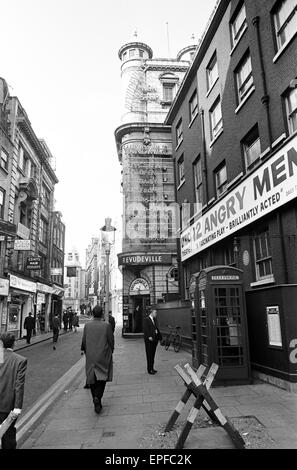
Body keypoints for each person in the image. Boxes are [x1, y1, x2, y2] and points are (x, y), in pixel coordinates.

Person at [81, 305, 114, 414]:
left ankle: (96, 400)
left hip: (91, 355)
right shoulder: (106, 326)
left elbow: (84, 341)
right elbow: (111, 341)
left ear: (93, 313)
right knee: (102, 377)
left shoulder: (87, 326)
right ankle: (98, 397)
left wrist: (86, 351)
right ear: (102, 313)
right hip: (103, 355)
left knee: (92, 378)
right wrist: (111, 351)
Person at [0, 332, 27, 449]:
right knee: (8, 436)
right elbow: (19, 385)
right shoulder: (20, 360)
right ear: (14, 343)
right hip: (7, 406)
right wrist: (17, 407)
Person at [143, 307, 162, 375]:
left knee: (153, 354)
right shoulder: (146, 320)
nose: (156, 313)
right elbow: (145, 329)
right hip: (149, 340)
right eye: (155, 312)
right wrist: (149, 336)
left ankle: (152, 368)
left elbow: (156, 328)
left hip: (155, 339)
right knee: (149, 355)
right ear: (151, 313)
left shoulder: (154, 319)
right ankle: (149, 369)